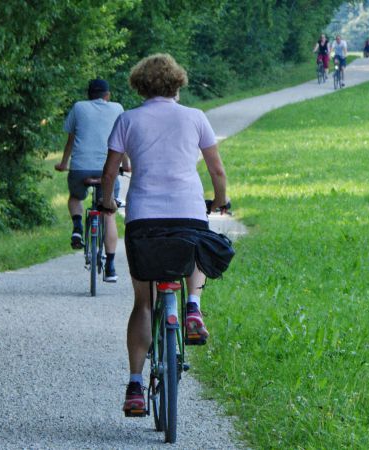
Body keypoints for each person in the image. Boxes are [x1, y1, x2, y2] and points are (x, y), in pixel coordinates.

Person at [97, 54, 230, 417]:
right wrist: (220, 201)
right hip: (188, 211)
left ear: (139, 85)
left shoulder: (127, 119)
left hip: (144, 219)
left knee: (143, 303)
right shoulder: (196, 118)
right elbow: (217, 170)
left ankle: (136, 386)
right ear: (178, 83)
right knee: (197, 247)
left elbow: (110, 173)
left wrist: (108, 203)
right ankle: (192, 309)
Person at [55, 79, 126, 282]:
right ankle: (111, 267)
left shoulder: (78, 107)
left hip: (80, 168)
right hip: (108, 169)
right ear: (107, 95)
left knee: (75, 197)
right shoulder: (118, 108)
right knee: (109, 212)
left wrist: (63, 163)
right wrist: (127, 165)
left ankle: (78, 228)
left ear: (89, 95)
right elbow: (122, 142)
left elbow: (71, 139)